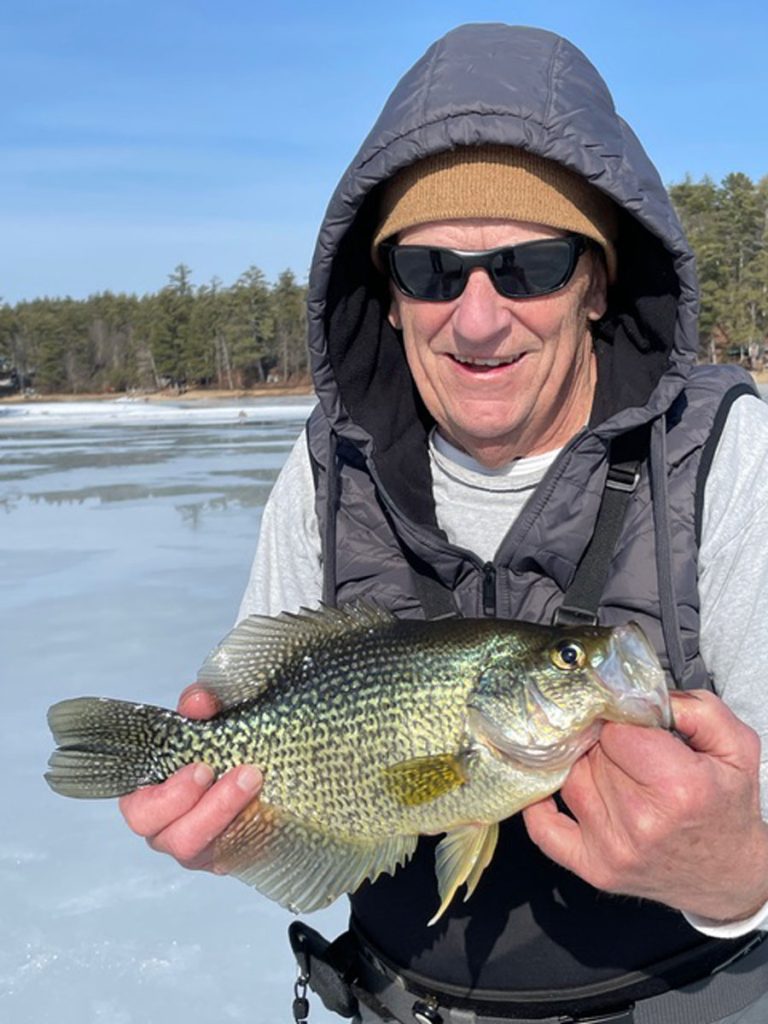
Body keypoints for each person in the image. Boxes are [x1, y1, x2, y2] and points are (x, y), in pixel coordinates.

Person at [120, 23, 768, 1024]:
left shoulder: (726, 456)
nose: (476, 317)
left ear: (597, 281)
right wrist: (239, 830)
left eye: (530, 264)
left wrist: (738, 874)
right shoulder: (328, 467)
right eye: (430, 270)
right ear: (387, 296)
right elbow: (273, 753)